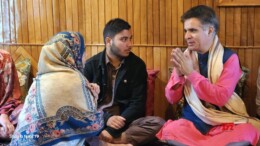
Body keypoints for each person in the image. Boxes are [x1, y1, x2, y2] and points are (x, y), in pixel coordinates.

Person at [156, 5, 260, 146]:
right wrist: (179, 75)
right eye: (186, 30)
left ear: (210, 30)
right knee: (171, 129)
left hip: (223, 123)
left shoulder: (229, 58)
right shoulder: (185, 56)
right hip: (191, 124)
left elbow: (220, 97)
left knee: (247, 131)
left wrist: (191, 73)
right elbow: (172, 98)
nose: (187, 36)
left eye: (193, 30)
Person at [10, 32, 104, 146]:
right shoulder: (74, 79)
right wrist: (94, 94)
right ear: (72, 53)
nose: (86, 54)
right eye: (83, 50)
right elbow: (89, 121)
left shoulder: (39, 80)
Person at [84, 18, 164, 146]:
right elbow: (84, 104)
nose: (130, 44)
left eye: (130, 38)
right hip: (99, 120)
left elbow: (138, 104)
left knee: (158, 123)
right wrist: (106, 119)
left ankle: (109, 142)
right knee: (75, 125)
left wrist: (112, 129)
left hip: (126, 122)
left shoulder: (137, 65)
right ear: (109, 41)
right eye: (124, 39)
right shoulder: (90, 65)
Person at [0, 50, 23, 140]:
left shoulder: (5, 57)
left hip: (6, 108)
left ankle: (7, 131)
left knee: (28, 113)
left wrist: (4, 115)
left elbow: (11, 95)